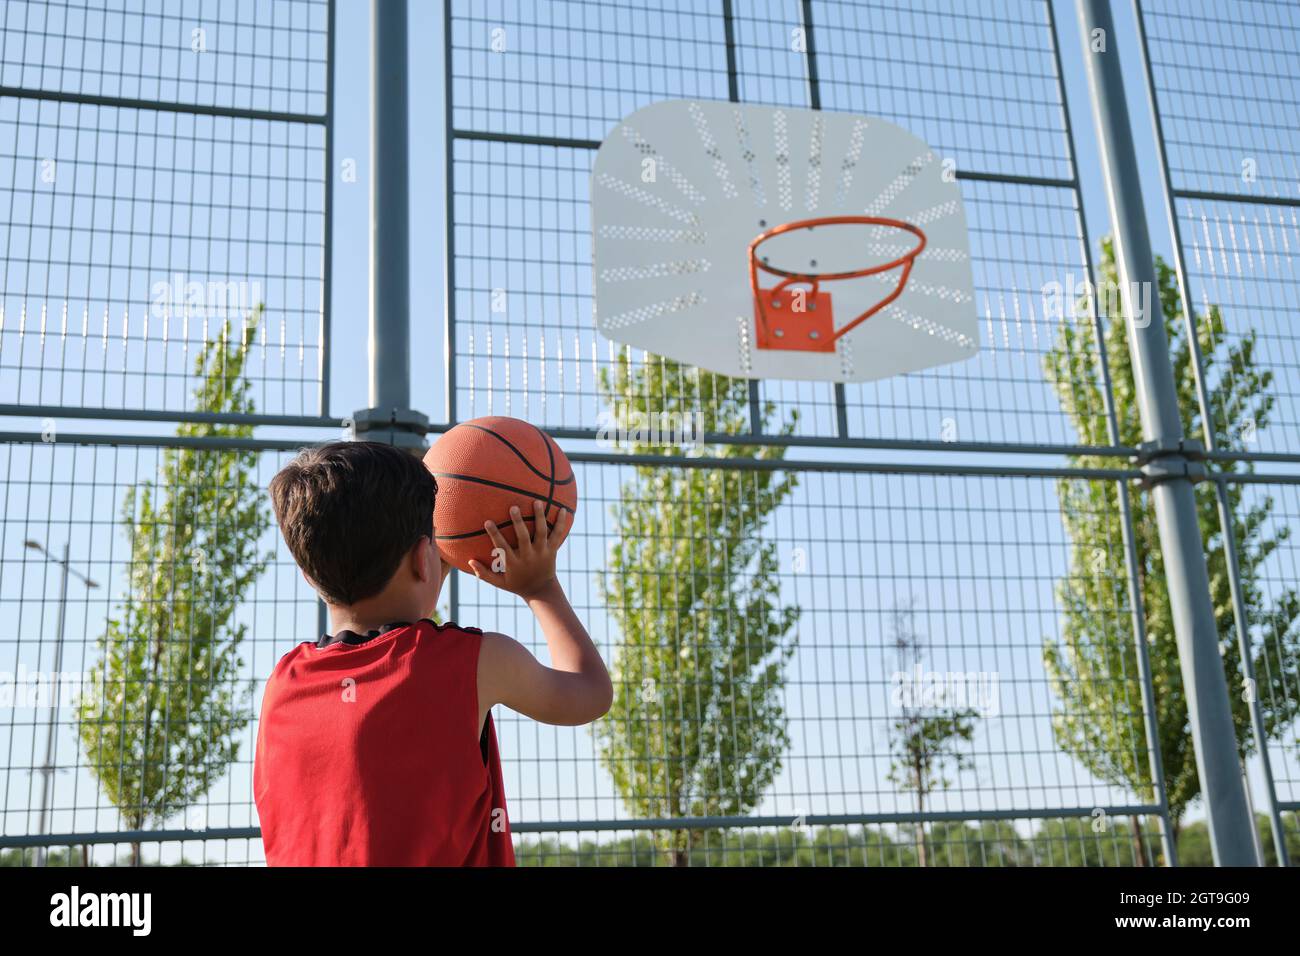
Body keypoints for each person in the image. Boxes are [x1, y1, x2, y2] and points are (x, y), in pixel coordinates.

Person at [254, 441, 611, 865]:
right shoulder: (474, 662)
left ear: (308, 574)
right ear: (427, 559)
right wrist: (540, 588)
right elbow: (589, 692)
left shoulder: (284, 685)